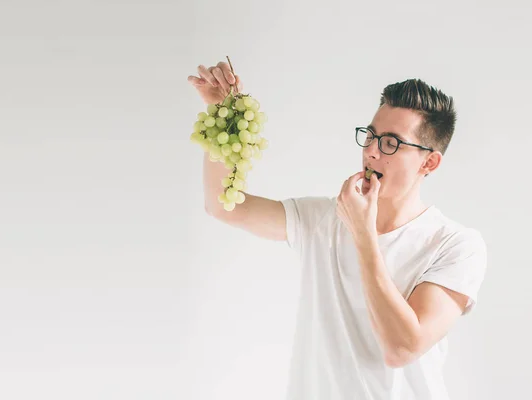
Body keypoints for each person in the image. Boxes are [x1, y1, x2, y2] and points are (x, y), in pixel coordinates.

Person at [188, 61, 488, 400]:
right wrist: (221, 115)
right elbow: (223, 204)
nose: (372, 151)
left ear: (428, 163)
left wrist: (363, 234)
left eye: (391, 142)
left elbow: (401, 348)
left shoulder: (456, 245)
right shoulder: (321, 219)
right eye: (372, 135)